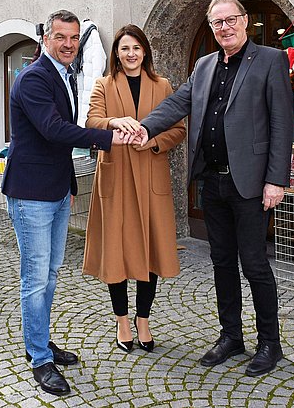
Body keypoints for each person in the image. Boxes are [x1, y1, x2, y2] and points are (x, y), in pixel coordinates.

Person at [137, 0, 293, 377]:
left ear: (244, 21)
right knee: (221, 262)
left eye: (230, 20)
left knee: (255, 264)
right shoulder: (204, 64)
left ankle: (270, 344)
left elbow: (282, 124)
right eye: (217, 23)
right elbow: (178, 104)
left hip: (252, 184)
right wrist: (143, 127)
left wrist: (276, 179)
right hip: (212, 180)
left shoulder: (270, 60)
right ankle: (231, 337)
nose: (224, 28)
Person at [1, 9, 131, 397]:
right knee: (35, 278)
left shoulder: (64, 75)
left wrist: (69, 182)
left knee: (51, 274)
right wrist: (109, 138)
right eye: (61, 37)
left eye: (74, 38)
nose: (69, 44)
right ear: (46, 38)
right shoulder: (33, 78)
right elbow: (54, 130)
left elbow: (54, 143)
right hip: (31, 194)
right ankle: (39, 359)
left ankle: (39, 342)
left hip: (55, 189)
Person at [82, 24, 185, 354]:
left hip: (150, 172)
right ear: (117, 53)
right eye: (124, 48)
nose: (130, 54)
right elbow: (92, 122)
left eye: (136, 48)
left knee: (150, 250)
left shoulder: (162, 85)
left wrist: (153, 141)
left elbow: (178, 129)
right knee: (116, 250)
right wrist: (115, 122)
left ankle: (143, 318)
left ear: (145, 52)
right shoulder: (104, 85)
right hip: (116, 177)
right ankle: (122, 319)